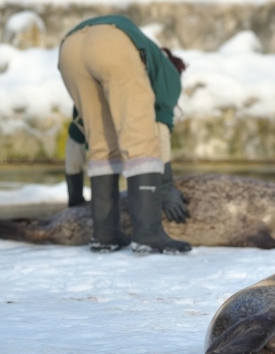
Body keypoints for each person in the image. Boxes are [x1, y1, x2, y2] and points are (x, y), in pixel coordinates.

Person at [58, 15, 191, 254]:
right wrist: (165, 186)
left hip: (69, 48)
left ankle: (105, 235)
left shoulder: (144, 55)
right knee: (140, 141)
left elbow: (76, 139)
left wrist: (75, 202)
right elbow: (158, 130)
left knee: (101, 145)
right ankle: (148, 235)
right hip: (111, 44)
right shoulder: (169, 73)